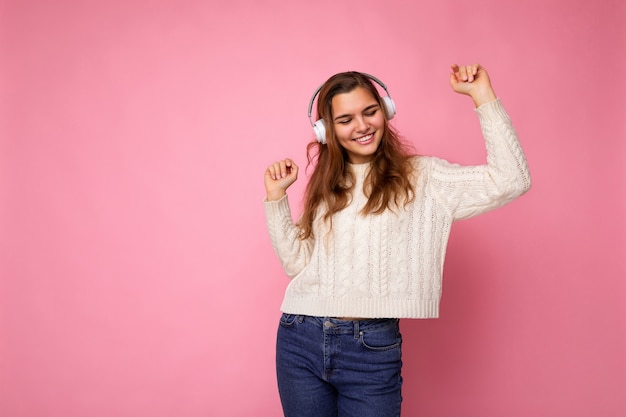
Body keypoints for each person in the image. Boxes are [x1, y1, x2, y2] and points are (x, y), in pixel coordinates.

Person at [263, 64, 531, 417]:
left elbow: (512, 179)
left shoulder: (424, 177)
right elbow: (295, 264)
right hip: (299, 336)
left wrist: (482, 95)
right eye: (345, 120)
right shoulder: (326, 186)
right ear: (326, 130)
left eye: (370, 111)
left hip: (371, 345)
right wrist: (276, 198)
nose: (361, 126)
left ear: (386, 111)